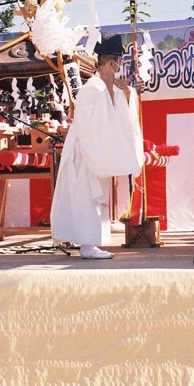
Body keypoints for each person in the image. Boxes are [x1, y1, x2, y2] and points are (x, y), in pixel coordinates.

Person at [50, 34, 143, 259]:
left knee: (95, 197)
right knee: (86, 196)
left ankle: (90, 242)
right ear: (111, 63)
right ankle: (87, 244)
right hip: (85, 151)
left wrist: (125, 94)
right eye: (118, 63)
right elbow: (92, 121)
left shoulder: (105, 87)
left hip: (96, 151)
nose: (119, 68)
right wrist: (111, 93)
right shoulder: (93, 87)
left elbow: (120, 117)